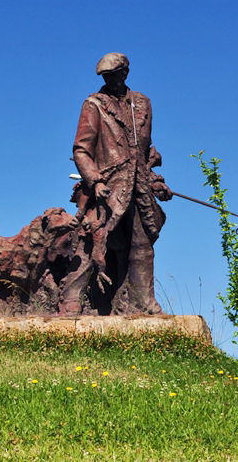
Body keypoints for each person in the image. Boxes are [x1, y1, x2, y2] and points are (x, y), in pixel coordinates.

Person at [62, 53, 171, 315]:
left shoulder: (143, 103)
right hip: (108, 183)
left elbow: (144, 152)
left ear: (125, 73)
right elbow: (81, 150)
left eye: (114, 74)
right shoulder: (94, 104)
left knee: (142, 244)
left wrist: (156, 181)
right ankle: (71, 301)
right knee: (92, 240)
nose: (109, 79)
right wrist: (95, 181)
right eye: (105, 76)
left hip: (139, 185)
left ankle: (143, 301)